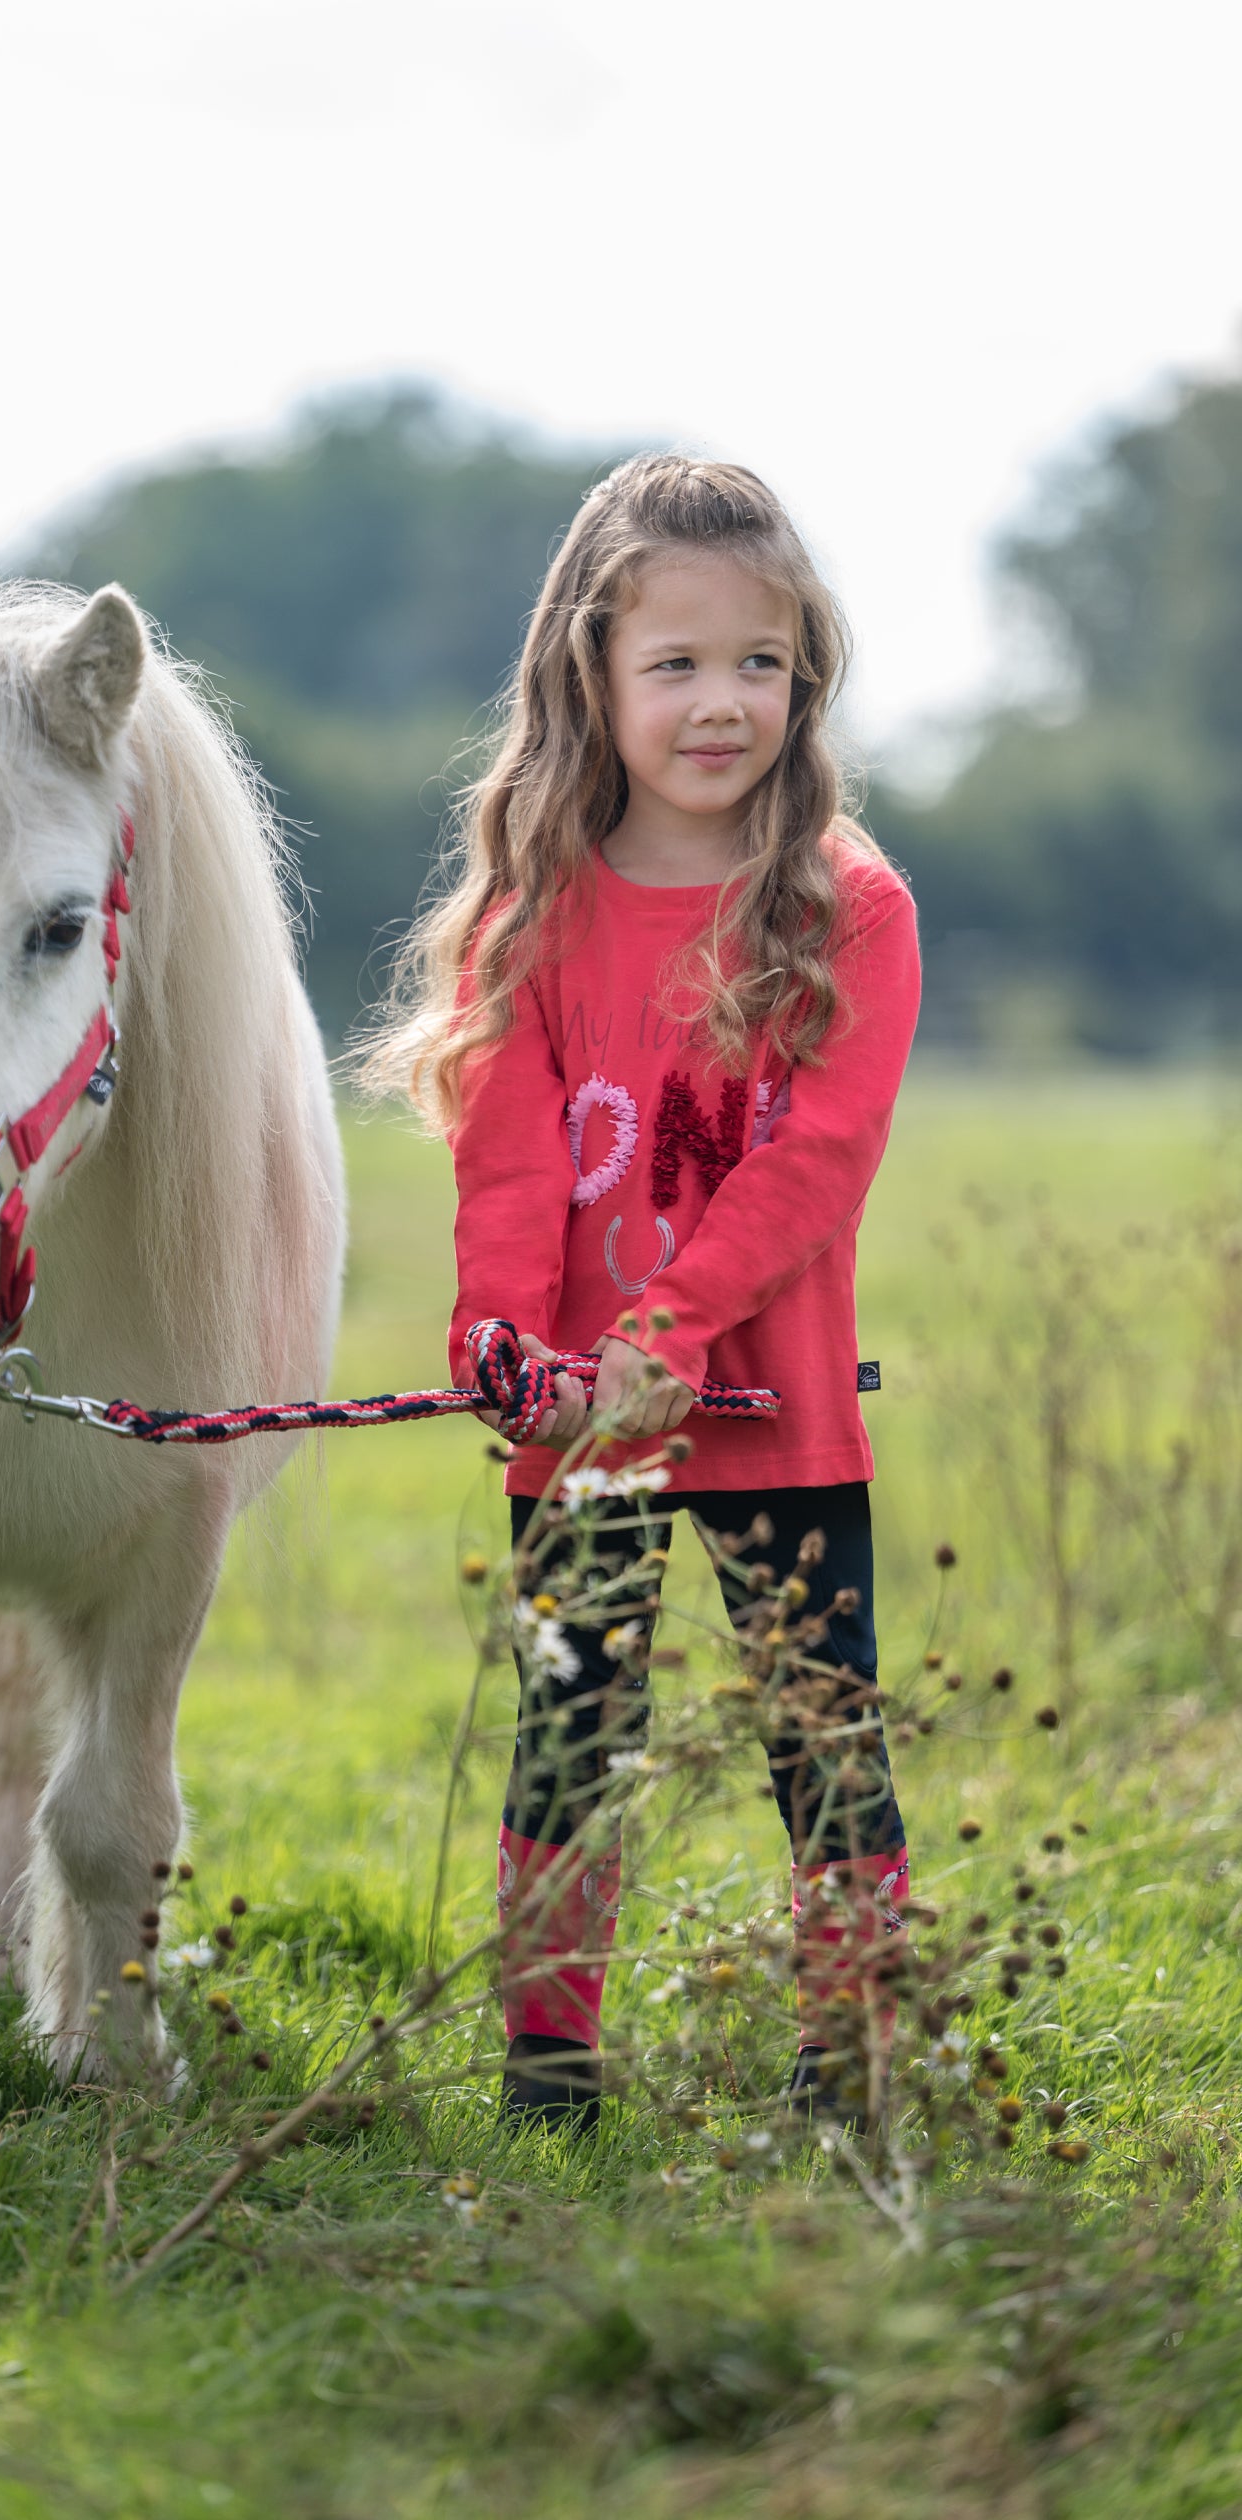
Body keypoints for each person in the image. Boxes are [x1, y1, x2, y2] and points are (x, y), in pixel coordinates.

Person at [360, 454, 921, 2133]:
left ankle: (858, 2056)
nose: (720, 702)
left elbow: (816, 1164)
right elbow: (514, 1171)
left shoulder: (848, 907)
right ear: (591, 673)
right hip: (580, 1429)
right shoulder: (529, 920)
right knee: (569, 1735)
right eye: (674, 664)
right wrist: (508, 1348)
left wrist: (662, 1338)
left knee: (822, 1742)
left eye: (759, 661)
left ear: (803, 675)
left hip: (776, 1414)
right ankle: (551, 2070)